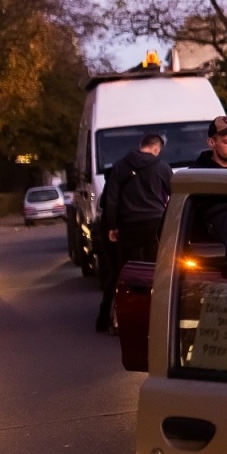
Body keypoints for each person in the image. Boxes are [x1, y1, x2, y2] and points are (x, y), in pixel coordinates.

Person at [96, 133, 172, 332]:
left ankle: (122, 317)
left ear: (141, 146)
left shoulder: (120, 166)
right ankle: (153, 318)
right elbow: (174, 195)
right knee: (155, 271)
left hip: (129, 225)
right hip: (155, 224)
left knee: (126, 272)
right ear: (156, 148)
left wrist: (112, 226)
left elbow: (111, 199)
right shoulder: (162, 167)